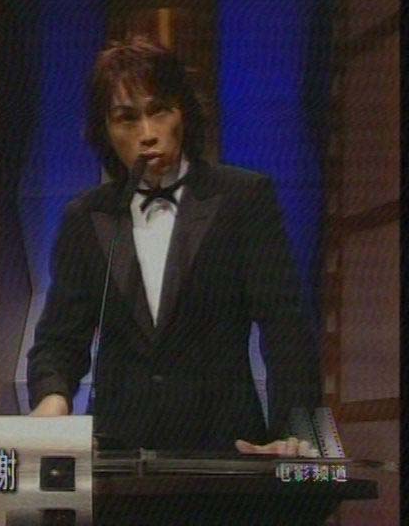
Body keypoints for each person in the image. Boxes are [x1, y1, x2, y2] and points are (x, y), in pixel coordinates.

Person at [27, 37, 321, 456]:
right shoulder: (85, 217)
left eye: (159, 111)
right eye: (127, 119)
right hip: (120, 455)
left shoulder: (243, 198)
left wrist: (297, 432)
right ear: (105, 131)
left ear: (183, 112)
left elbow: (285, 325)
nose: (147, 134)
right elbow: (59, 339)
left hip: (226, 451)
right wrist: (52, 401)